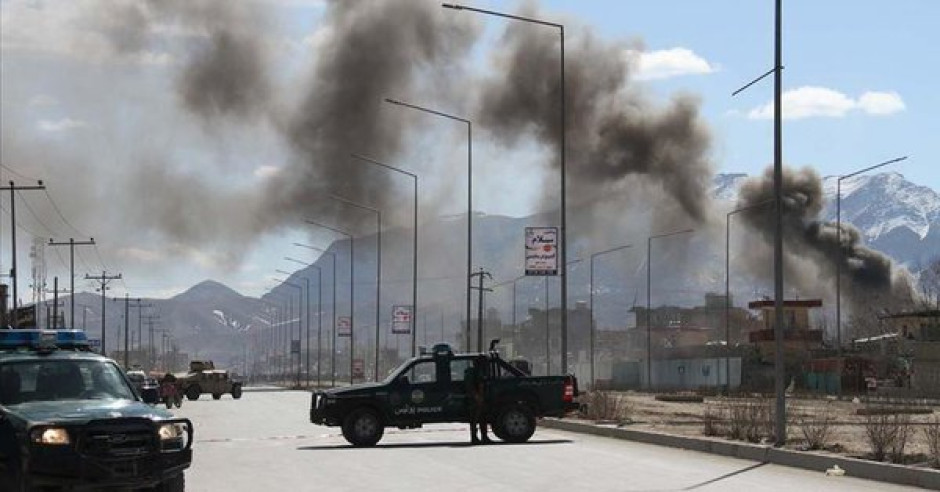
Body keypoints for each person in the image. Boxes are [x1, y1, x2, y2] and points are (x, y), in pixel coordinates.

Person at [464, 356, 491, 444]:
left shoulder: (474, 372)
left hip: (478, 398)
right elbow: (473, 386)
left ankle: (484, 436)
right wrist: (477, 397)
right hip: (474, 399)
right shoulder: (474, 372)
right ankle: (475, 437)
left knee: (482, 418)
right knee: (475, 419)